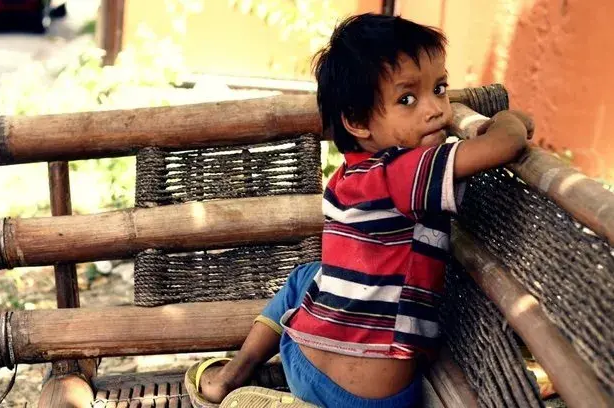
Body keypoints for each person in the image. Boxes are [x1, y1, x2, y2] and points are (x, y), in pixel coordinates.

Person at [194, 13, 534, 408]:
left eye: (440, 88)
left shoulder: (351, 177)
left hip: (311, 367)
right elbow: (504, 146)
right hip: (384, 397)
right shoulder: (402, 172)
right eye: (407, 99)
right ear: (357, 121)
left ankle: (230, 376)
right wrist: (509, 120)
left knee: (306, 276)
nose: (437, 110)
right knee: (311, 275)